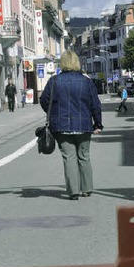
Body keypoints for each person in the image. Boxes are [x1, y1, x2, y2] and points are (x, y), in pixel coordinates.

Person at [40, 50, 103, 200]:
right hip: (84, 125)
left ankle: (73, 191)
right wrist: (98, 124)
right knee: (84, 156)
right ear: (77, 62)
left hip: (61, 126)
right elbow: (95, 104)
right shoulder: (87, 82)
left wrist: (54, 113)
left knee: (69, 157)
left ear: (63, 63)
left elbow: (44, 101)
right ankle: (87, 189)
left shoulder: (54, 81)